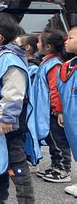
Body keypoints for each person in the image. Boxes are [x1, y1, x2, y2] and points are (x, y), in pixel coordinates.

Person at [0, 13, 38, 204]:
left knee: (16, 165)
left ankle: (26, 200)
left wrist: (7, 118)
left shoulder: (9, 60)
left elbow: (14, 93)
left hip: (8, 126)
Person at [33, 29, 71, 183]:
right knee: (51, 140)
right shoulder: (47, 62)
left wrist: (58, 110)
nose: (36, 44)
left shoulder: (54, 65)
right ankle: (55, 165)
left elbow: (56, 89)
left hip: (53, 111)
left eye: (39, 41)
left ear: (48, 46)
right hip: (47, 110)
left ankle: (63, 170)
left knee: (58, 141)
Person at [58, 25, 77, 198]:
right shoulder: (67, 66)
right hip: (71, 114)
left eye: (71, 38)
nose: (66, 41)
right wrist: (61, 111)